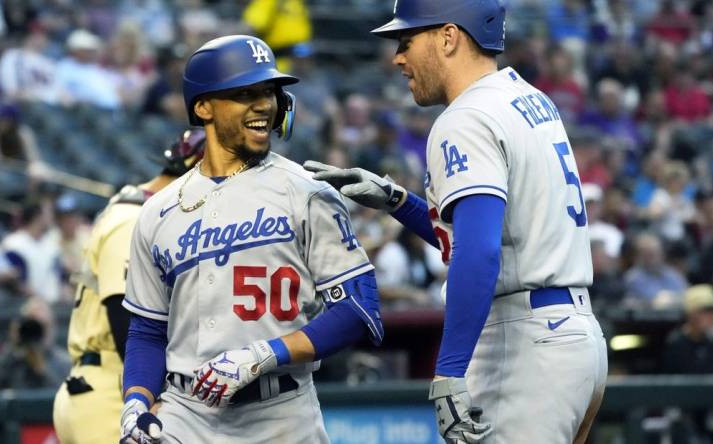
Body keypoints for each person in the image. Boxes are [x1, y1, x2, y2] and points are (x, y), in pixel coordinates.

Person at [304, 1, 607, 442]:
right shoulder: (528, 99)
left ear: (448, 37)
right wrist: (399, 201)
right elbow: (491, 238)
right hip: (574, 336)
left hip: (522, 345)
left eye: (407, 41)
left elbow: (480, 253)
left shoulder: (466, 117)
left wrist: (448, 372)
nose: (397, 57)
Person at [119, 35, 383, 444]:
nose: (263, 104)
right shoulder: (158, 211)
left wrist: (265, 354)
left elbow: (360, 311)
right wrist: (136, 401)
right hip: (185, 414)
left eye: (268, 92)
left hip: (282, 414)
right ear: (203, 107)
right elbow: (147, 331)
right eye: (245, 93)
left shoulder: (307, 192)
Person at [53, 129, 207, 444]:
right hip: (110, 389)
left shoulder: (144, 212)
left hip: (102, 385)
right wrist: (153, 394)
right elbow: (122, 311)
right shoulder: (132, 217)